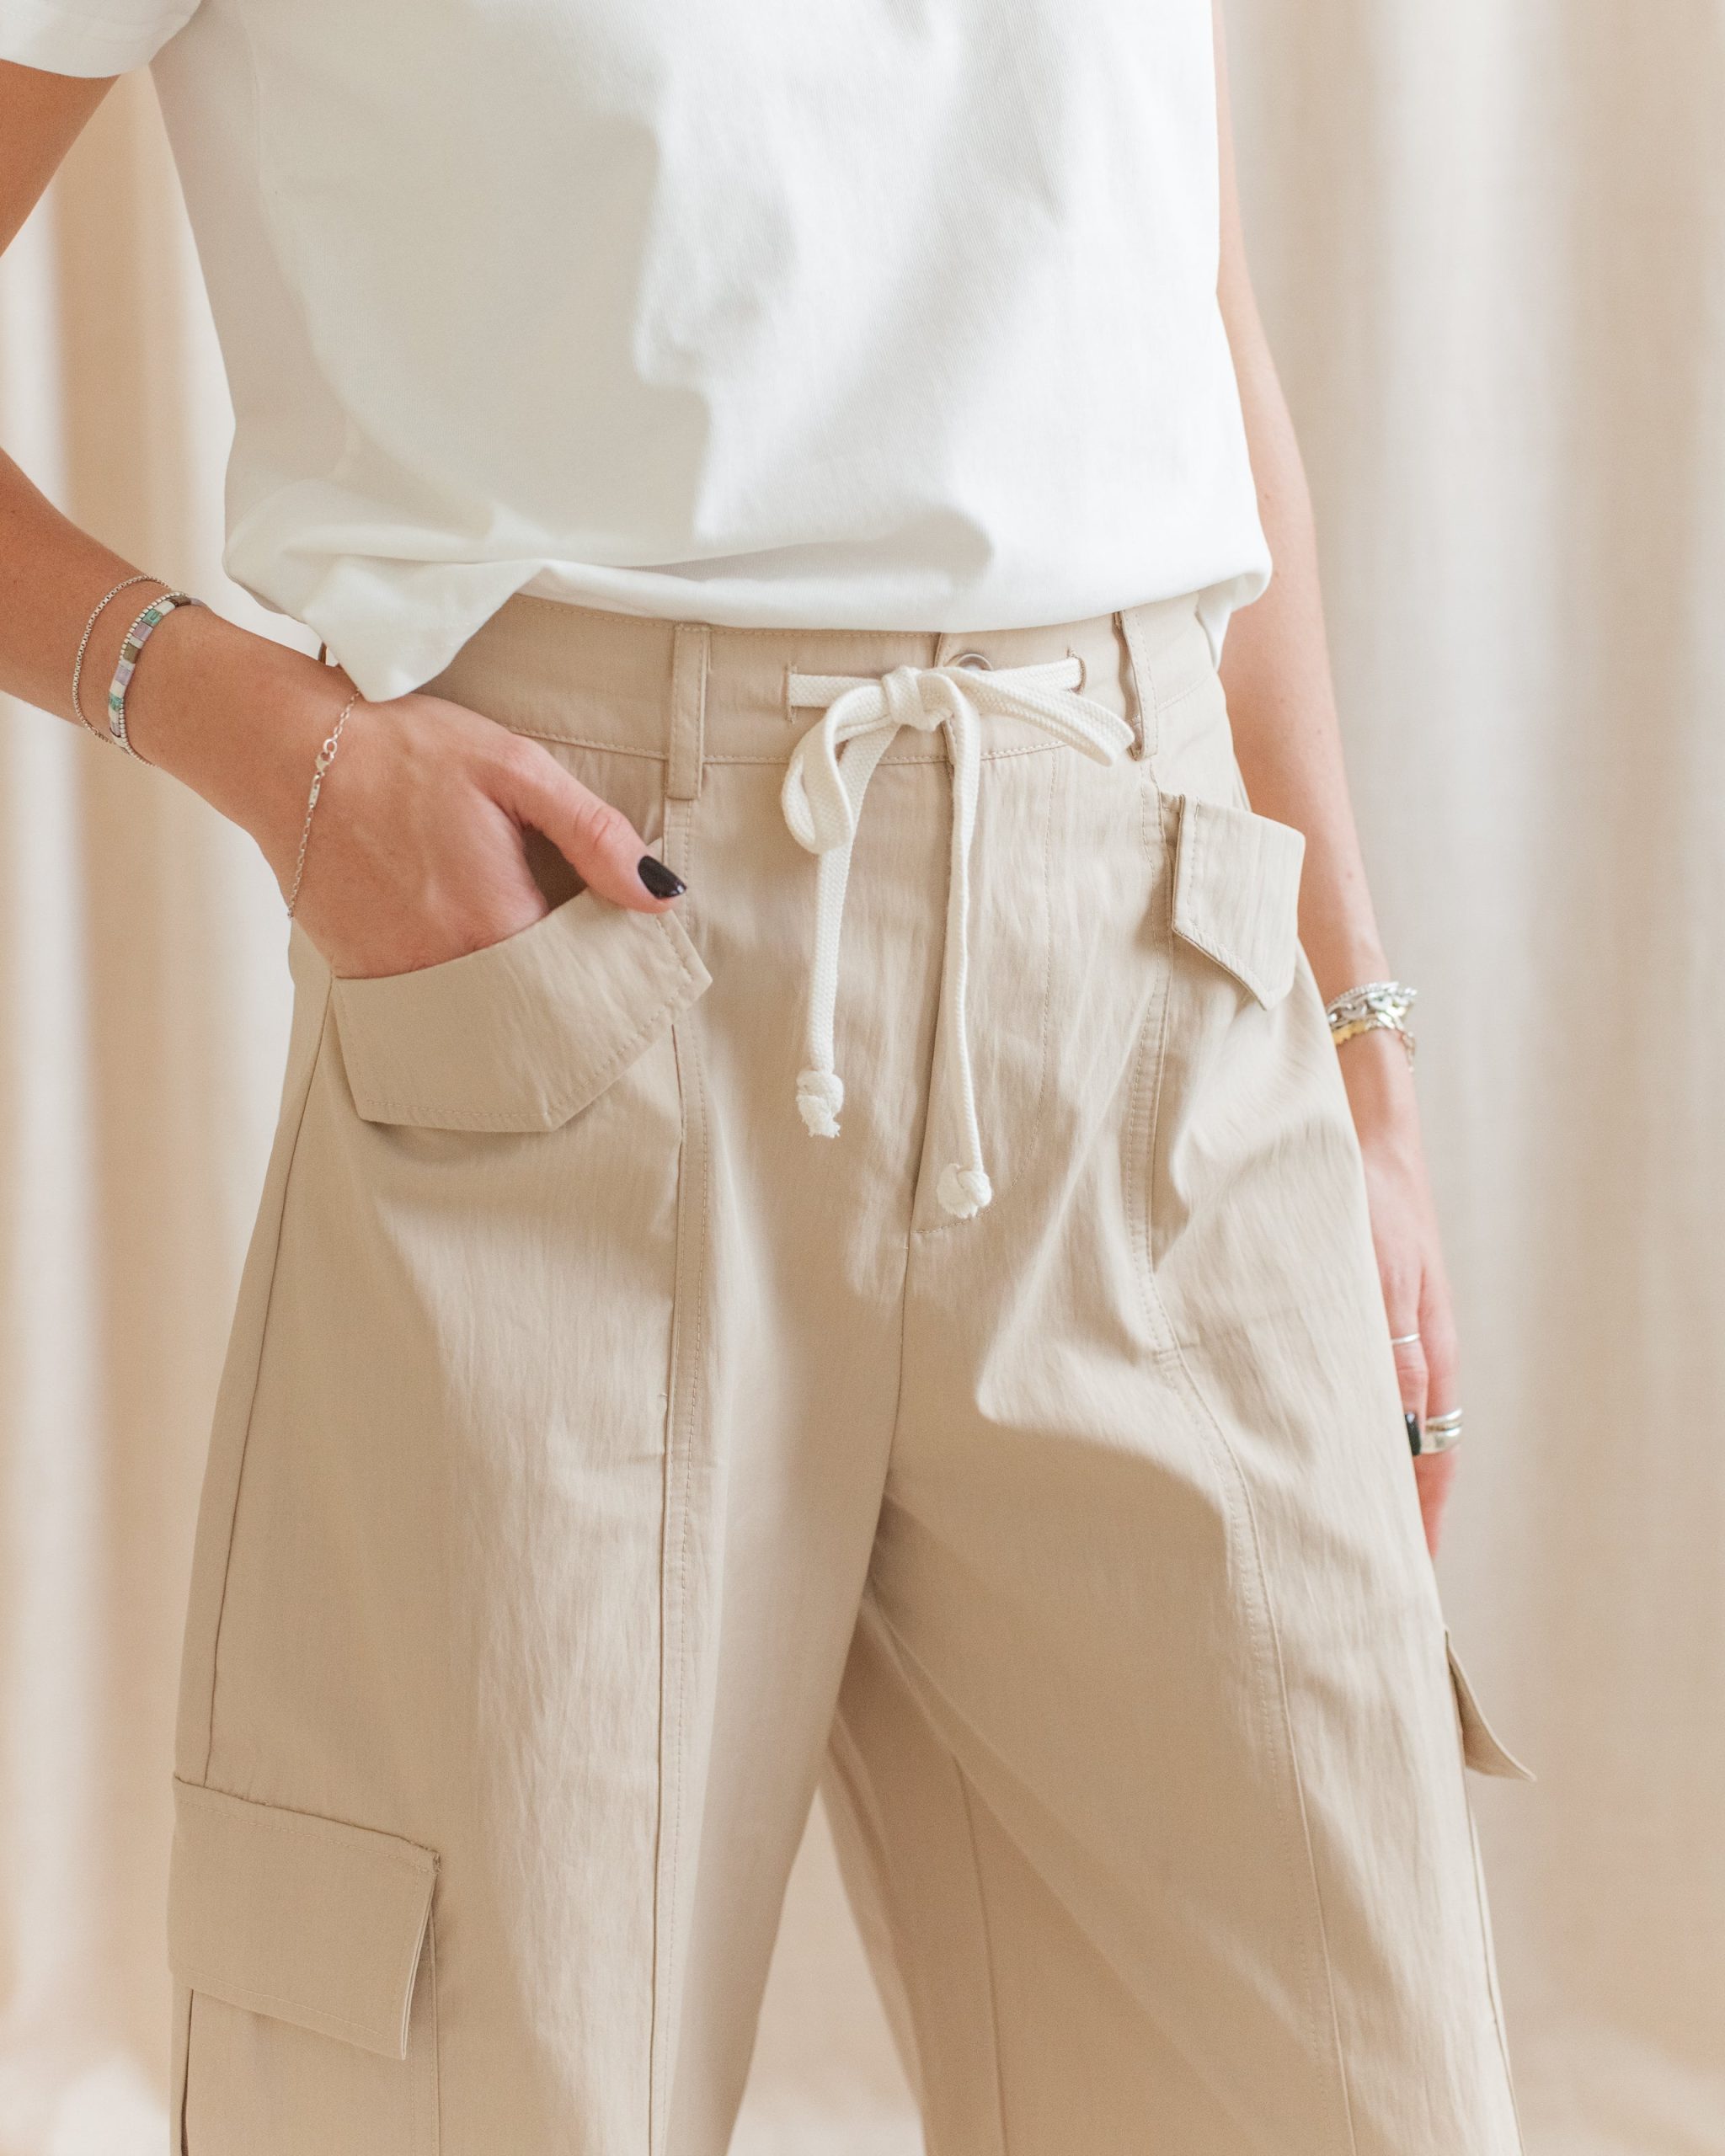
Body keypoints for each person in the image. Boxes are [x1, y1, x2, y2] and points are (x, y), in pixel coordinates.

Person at [0, 3, 1535, 2149]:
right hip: (561, 983)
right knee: (480, 2098)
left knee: (1340, 2089)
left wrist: (1359, 1045)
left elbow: (1187, 303)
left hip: (1151, 999)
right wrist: (268, 741)